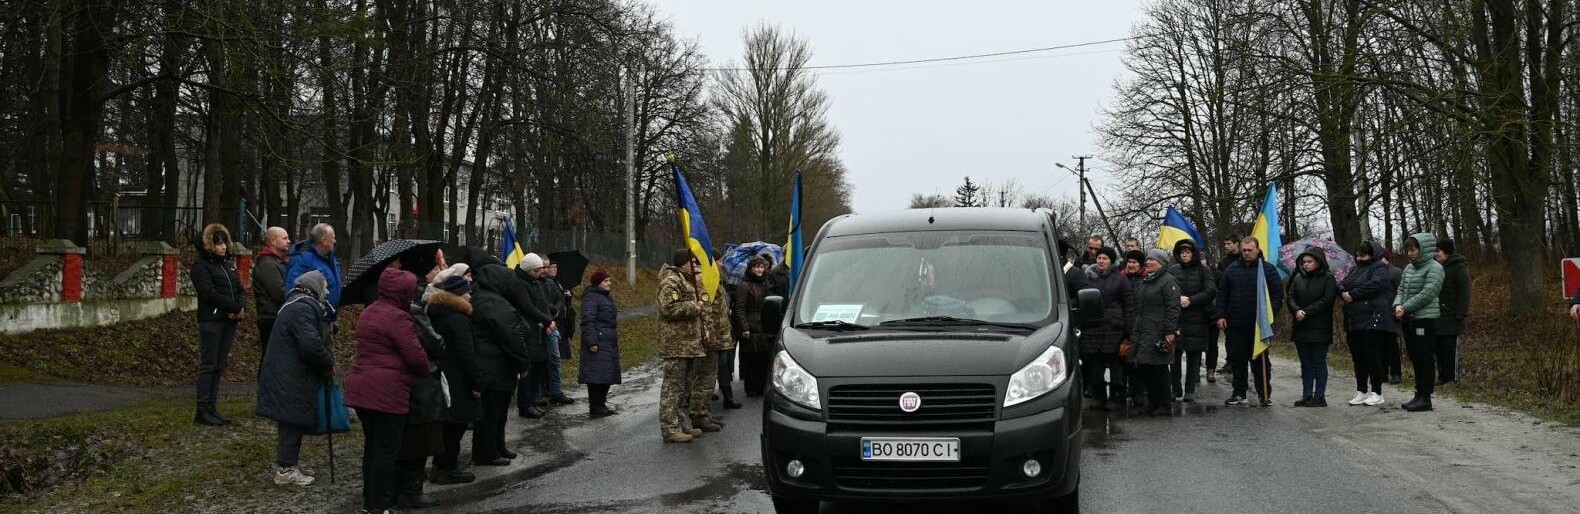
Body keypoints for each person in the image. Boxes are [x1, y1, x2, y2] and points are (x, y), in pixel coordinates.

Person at [344, 268, 431, 513]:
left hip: (362, 386)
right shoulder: (399, 318)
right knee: (386, 450)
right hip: (388, 390)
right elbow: (416, 357)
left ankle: (370, 501)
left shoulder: (370, 311)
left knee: (372, 447)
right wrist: (421, 373)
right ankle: (380, 504)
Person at [255, 270, 335, 487]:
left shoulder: (295, 305)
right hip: (289, 375)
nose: (327, 292)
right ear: (315, 287)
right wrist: (327, 362)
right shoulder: (303, 309)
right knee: (291, 419)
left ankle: (288, 463)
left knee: (291, 420)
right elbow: (310, 346)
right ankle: (286, 469)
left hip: (286, 372)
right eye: (325, 287)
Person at [468, 260, 532, 466]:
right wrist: (523, 363)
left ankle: (497, 445)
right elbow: (511, 335)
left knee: (499, 410)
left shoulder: (487, 298)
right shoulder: (493, 303)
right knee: (492, 411)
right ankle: (486, 452)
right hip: (493, 365)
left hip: (494, 363)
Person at [424, 272, 480, 485]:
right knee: (455, 426)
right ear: (458, 295)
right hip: (458, 379)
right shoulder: (458, 319)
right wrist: (477, 382)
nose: (470, 296)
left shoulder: (436, 313)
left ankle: (440, 465)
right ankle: (448, 467)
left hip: (443, 375)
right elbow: (468, 353)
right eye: (467, 293)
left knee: (446, 425)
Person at [1215, 237, 1283, 407]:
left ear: (1257, 250)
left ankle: (1264, 393)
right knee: (1237, 360)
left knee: (1260, 362)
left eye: (1250, 250)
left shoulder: (1268, 270)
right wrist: (1221, 315)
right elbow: (1222, 294)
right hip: (1236, 324)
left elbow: (1277, 295)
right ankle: (1239, 392)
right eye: (1244, 250)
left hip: (1259, 326)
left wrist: (1269, 315)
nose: (1246, 253)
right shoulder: (1231, 270)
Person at [192, 223, 245, 426]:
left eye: (224, 242)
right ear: (208, 246)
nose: (222, 247)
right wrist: (232, 307)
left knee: (219, 365)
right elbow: (209, 293)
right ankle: (202, 408)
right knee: (209, 365)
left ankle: (212, 407)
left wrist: (239, 306)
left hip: (228, 320)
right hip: (212, 320)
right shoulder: (201, 268)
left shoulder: (228, 265)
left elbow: (240, 288)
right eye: (218, 244)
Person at [658, 249, 709, 443]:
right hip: (676, 344)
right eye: (692, 262)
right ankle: (669, 428)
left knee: (684, 388)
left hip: (688, 344)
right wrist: (695, 307)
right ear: (683, 263)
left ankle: (682, 423)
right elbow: (668, 308)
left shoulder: (687, 280)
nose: (695, 265)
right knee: (673, 388)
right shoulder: (672, 281)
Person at [1339, 240, 1395, 407]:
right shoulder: (1355, 269)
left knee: (1372, 356)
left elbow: (1375, 286)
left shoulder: (1379, 268)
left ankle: (1377, 392)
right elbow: (1343, 283)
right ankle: (1361, 390)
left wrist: (1353, 294)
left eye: (1363, 255)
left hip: (1372, 318)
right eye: (1357, 255)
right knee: (1358, 358)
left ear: (1372, 254)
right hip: (1353, 319)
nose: (1359, 258)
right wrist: (1343, 292)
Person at [1394, 233, 1445, 412]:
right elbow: (1400, 288)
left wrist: (1405, 307)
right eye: (1408, 249)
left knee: (1424, 357)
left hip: (1425, 319)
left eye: (1413, 249)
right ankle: (1418, 393)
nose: (1410, 253)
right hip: (1409, 319)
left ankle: (1426, 397)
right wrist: (1398, 304)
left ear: (1424, 249)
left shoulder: (1435, 268)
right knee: (1415, 357)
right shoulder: (1409, 268)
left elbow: (1428, 293)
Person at [1080, 247, 1135, 411]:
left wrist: (1129, 330)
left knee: (1115, 363)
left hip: (1115, 327)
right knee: (1095, 363)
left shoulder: (1120, 279)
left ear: (1111, 261)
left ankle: (1117, 397)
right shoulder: (1088, 278)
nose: (1101, 261)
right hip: (1093, 326)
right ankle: (1099, 397)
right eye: (1099, 258)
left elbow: (1129, 305)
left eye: (1104, 258)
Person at [1131, 249, 1181, 416]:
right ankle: (1153, 402)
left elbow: (1173, 308)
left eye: (1151, 260)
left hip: (1158, 331)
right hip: (1144, 330)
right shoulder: (1148, 280)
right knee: (1146, 366)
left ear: (1161, 263)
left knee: (1159, 368)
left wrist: (1169, 331)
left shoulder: (1168, 282)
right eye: (1147, 259)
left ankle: (1164, 404)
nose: (1148, 262)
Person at [1287, 250, 1338, 407]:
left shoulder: (1328, 278)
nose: (1306, 264)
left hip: (1319, 326)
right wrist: (1296, 310)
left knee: (1318, 361)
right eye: (1304, 262)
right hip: (1301, 325)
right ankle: (1307, 394)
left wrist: (1307, 312)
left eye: (1309, 261)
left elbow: (1327, 299)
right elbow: (1290, 296)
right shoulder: (1297, 277)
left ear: (1318, 262)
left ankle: (1320, 395)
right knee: (1305, 362)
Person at [515, 253, 563, 417]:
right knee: (528, 371)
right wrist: (548, 321)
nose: (542, 272)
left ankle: (533, 401)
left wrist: (549, 320)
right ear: (529, 270)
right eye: (538, 270)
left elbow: (542, 305)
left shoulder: (536, 283)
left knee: (540, 367)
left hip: (540, 331)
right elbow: (528, 307)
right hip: (529, 333)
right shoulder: (521, 284)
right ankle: (525, 404)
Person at [688, 257, 734, 430]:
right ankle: (699, 415)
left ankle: (704, 414)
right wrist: (709, 335)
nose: (721, 264)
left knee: (709, 378)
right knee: (704, 377)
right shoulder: (704, 279)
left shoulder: (714, 278)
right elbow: (706, 311)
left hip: (718, 336)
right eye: (718, 260)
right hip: (710, 338)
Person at [1168, 240, 1215, 402]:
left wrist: (1192, 300)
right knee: (1173, 355)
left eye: (1188, 252)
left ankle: (1190, 390)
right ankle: (1175, 389)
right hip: (1177, 319)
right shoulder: (1173, 271)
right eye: (1182, 252)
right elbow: (1166, 290)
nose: (1185, 254)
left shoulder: (1204, 271)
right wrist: (1177, 298)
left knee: (1194, 356)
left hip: (1198, 318)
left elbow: (1210, 292)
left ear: (1193, 253)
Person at [580, 268, 622, 417]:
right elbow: (587, 321)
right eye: (606, 281)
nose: (609, 283)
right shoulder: (591, 298)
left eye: (609, 280)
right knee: (596, 376)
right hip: (598, 340)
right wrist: (592, 341)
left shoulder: (606, 297)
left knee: (606, 375)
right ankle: (595, 406)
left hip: (608, 340)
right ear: (598, 283)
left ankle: (601, 404)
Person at [734, 256, 775, 397]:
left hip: (764, 325)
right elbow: (739, 309)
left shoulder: (765, 284)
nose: (759, 269)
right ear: (751, 268)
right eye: (756, 267)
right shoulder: (744, 285)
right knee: (751, 359)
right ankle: (751, 387)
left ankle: (762, 387)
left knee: (764, 357)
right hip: (750, 327)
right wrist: (744, 327)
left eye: (762, 267)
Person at [284, 223, 342, 321]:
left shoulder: (331, 259)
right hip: (311, 319)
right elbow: (292, 291)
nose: (335, 241)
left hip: (328, 318)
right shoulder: (302, 260)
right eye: (333, 237)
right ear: (324, 241)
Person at [253, 226, 291, 369]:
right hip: (271, 316)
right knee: (271, 357)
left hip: (277, 315)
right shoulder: (267, 264)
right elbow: (279, 293)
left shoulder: (280, 262)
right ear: (273, 241)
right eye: (285, 238)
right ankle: (265, 389)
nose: (289, 241)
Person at [1434, 238, 1470, 384]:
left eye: (1439, 251)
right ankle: (1442, 376)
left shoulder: (1459, 267)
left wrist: (1461, 312)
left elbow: (1464, 291)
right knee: (1439, 348)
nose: (1436, 254)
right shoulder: (1437, 267)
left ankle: (1452, 378)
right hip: (1438, 316)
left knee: (1450, 348)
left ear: (1447, 252)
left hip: (1453, 316)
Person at [1208, 234, 1240, 382]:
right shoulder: (1223, 263)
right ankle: (1231, 361)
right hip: (1229, 305)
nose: (1226, 246)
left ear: (1236, 244)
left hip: (1244, 302)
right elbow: (1221, 286)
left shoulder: (1245, 259)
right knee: (1230, 337)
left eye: (1228, 243)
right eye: (1225, 244)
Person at [1381, 252, 1405, 384]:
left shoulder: (1395, 272)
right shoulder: (1374, 272)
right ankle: (1382, 372)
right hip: (1378, 313)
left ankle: (1396, 373)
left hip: (1391, 312)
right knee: (1380, 345)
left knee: (1391, 344)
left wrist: (1399, 308)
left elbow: (1401, 291)